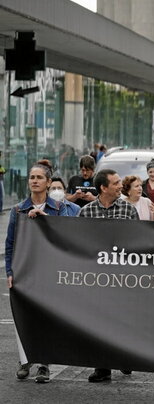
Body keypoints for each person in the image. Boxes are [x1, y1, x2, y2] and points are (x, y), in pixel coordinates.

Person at [6, 164, 74, 383]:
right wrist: (10, 271)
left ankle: (44, 363)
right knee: (24, 316)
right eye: (31, 177)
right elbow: (10, 243)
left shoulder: (58, 207)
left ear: (47, 182)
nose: (34, 181)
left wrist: (44, 218)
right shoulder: (18, 209)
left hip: (50, 268)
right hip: (25, 268)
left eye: (38, 177)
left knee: (46, 316)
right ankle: (25, 360)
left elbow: (63, 234)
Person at [79, 169, 139, 382]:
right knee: (98, 323)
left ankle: (123, 358)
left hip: (123, 278)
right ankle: (102, 368)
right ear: (103, 188)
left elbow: (139, 241)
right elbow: (78, 243)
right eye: (115, 183)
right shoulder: (85, 212)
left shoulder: (128, 210)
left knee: (123, 320)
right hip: (96, 279)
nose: (119, 186)